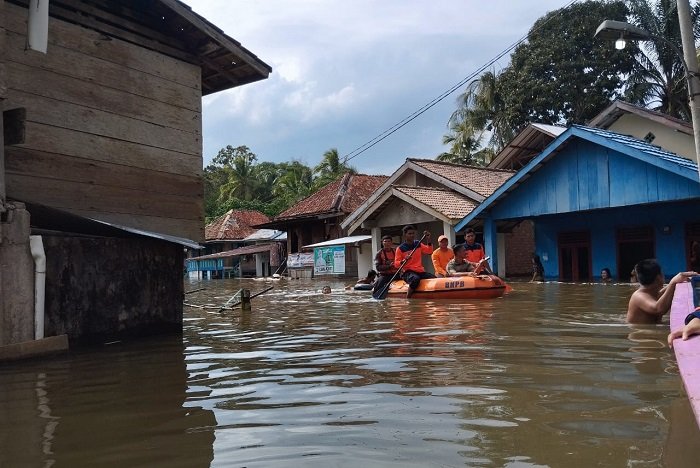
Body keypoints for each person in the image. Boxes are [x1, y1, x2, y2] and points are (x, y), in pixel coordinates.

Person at [626, 258, 697, 324]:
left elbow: (661, 294)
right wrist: (673, 282)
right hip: (641, 336)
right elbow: (658, 309)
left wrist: (677, 280)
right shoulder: (638, 296)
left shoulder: (651, 292)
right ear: (659, 278)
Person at [394, 225, 434, 298]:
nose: (412, 235)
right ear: (405, 235)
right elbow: (396, 264)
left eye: (413, 233)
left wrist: (428, 239)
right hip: (407, 272)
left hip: (419, 271)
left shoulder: (418, 244)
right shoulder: (400, 248)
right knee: (415, 279)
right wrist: (404, 260)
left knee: (433, 278)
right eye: (409, 234)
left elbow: (429, 251)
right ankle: (408, 297)